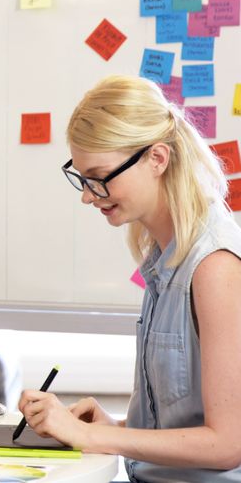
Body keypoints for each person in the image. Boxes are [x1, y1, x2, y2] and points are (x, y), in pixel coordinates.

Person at [19, 75, 241, 481]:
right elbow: (180, 432)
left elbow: (227, 445)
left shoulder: (215, 268)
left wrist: (91, 436)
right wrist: (111, 427)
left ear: (157, 158)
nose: (88, 194)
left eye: (100, 175)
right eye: (82, 177)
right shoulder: (163, 259)